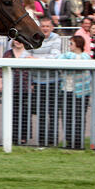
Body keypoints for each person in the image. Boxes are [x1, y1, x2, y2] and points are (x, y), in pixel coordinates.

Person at [28, 18, 62, 147]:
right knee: (41, 113)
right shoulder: (34, 37)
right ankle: (42, 141)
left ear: (52, 28)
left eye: (48, 26)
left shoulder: (56, 38)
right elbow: (25, 55)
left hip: (54, 81)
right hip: (37, 81)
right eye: (43, 26)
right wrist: (38, 59)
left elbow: (55, 56)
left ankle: (53, 141)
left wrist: (35, 58)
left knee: (53, 113)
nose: (45, 28)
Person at [58, 35, 91, 149]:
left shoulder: (85, 56)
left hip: (81, 93)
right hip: (66, 90)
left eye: (71, 43)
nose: (69, 46)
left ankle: (78, 142)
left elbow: (80, 62)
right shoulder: (66, 56)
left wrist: (68, 56)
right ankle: (69, 142)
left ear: (78, 44)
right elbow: (58, 60)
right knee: (67, 117)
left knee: (79, 117)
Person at [0, 40, 32, 144]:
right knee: (12, 113)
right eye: (16, 40)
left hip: (25, 88)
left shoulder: (29, 53)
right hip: (10, 88)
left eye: (20, 40)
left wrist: (32, 84)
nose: (18, 42)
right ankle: (12, 136)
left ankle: (23, 136)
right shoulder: (7, 53)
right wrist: (0, 81)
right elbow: (1, 69)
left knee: (25, 113)